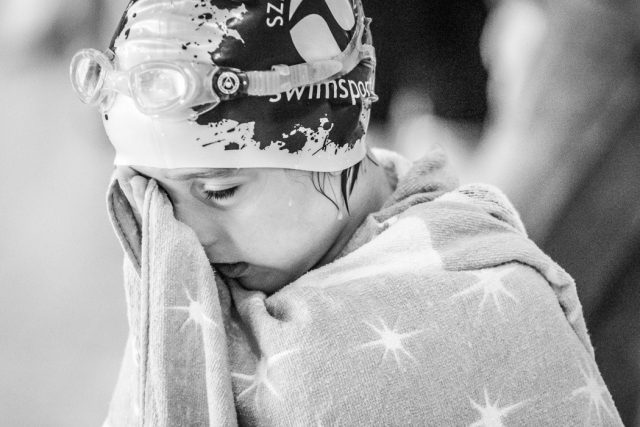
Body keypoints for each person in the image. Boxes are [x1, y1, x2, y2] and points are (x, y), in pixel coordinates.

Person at [71, 0, 623, 425]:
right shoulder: (186, 292)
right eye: (161, 197)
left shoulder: (489, 301)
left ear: (324, 143)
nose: (187, 235)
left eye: (219, 191)